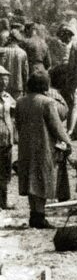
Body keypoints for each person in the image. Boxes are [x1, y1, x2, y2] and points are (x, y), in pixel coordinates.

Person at [15, 71, 71, 228]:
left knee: (29, 178)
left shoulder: (20, 101)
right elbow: (56, 126)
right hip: (43, 145)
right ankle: (40, 216)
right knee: (42, 178)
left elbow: (18, 123)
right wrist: (67, 142)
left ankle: (34, 214)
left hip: (25, 145)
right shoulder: (48, 102)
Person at [0, 66, 15, 209]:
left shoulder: (7, 97)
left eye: (6, 79)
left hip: (6, 138)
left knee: (5, 171)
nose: (4, 82)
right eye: (1, 79)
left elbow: (16, 110)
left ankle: (3, 201)